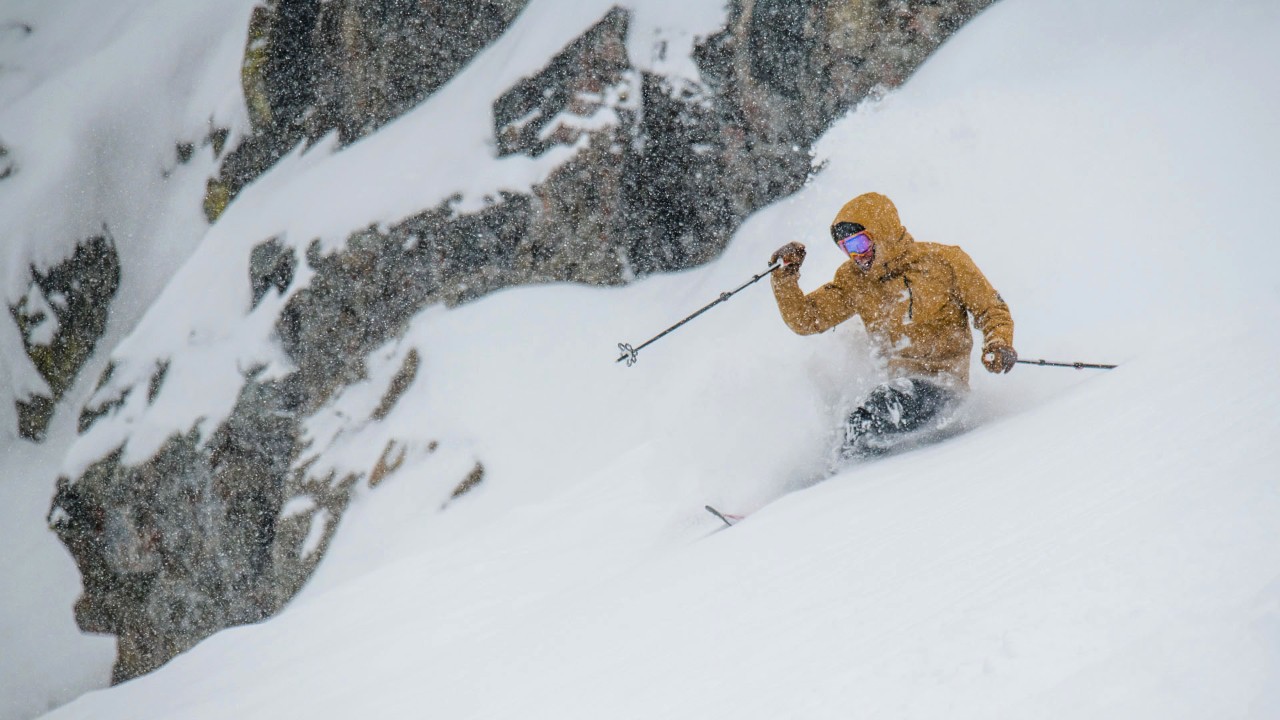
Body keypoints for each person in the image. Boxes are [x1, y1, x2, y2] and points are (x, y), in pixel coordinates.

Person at [769, 192, 1016, 458]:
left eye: (860, 243)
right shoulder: (855, 281)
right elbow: (807, 319)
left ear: (882, 232)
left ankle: (842, 477)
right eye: (847, 248)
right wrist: (785, 277)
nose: (857, 256)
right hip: (897, 393)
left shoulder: (943, 262)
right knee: (859, 419)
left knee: (874, 413)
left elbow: (991, 308)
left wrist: (998, 344)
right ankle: (829, 476)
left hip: (944, 389)